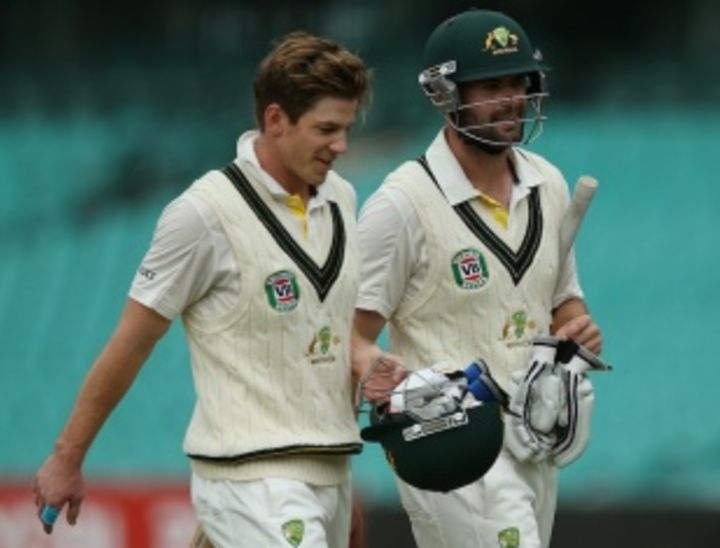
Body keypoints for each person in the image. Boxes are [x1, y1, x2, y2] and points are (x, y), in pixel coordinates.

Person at [33, 31, 372, 548]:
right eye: (326, 129)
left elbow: (323, 340)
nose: (341, 146)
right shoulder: (203, 214)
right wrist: (67, 457)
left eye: (346, 129)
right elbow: (133, 340)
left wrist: (341, 480)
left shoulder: (342, 197)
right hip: (248, 477)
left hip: (328, 472)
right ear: (275, 119)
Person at [352, 9, 602, 548]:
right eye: (491, 86)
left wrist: (577, 331)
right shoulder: (401, 204)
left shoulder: (548, 184)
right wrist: (388, 380)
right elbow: (351, 334)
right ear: (445, 95)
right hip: (451, 434)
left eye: (518, 82)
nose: (512, 98)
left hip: (535, 433)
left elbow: (562, 302)